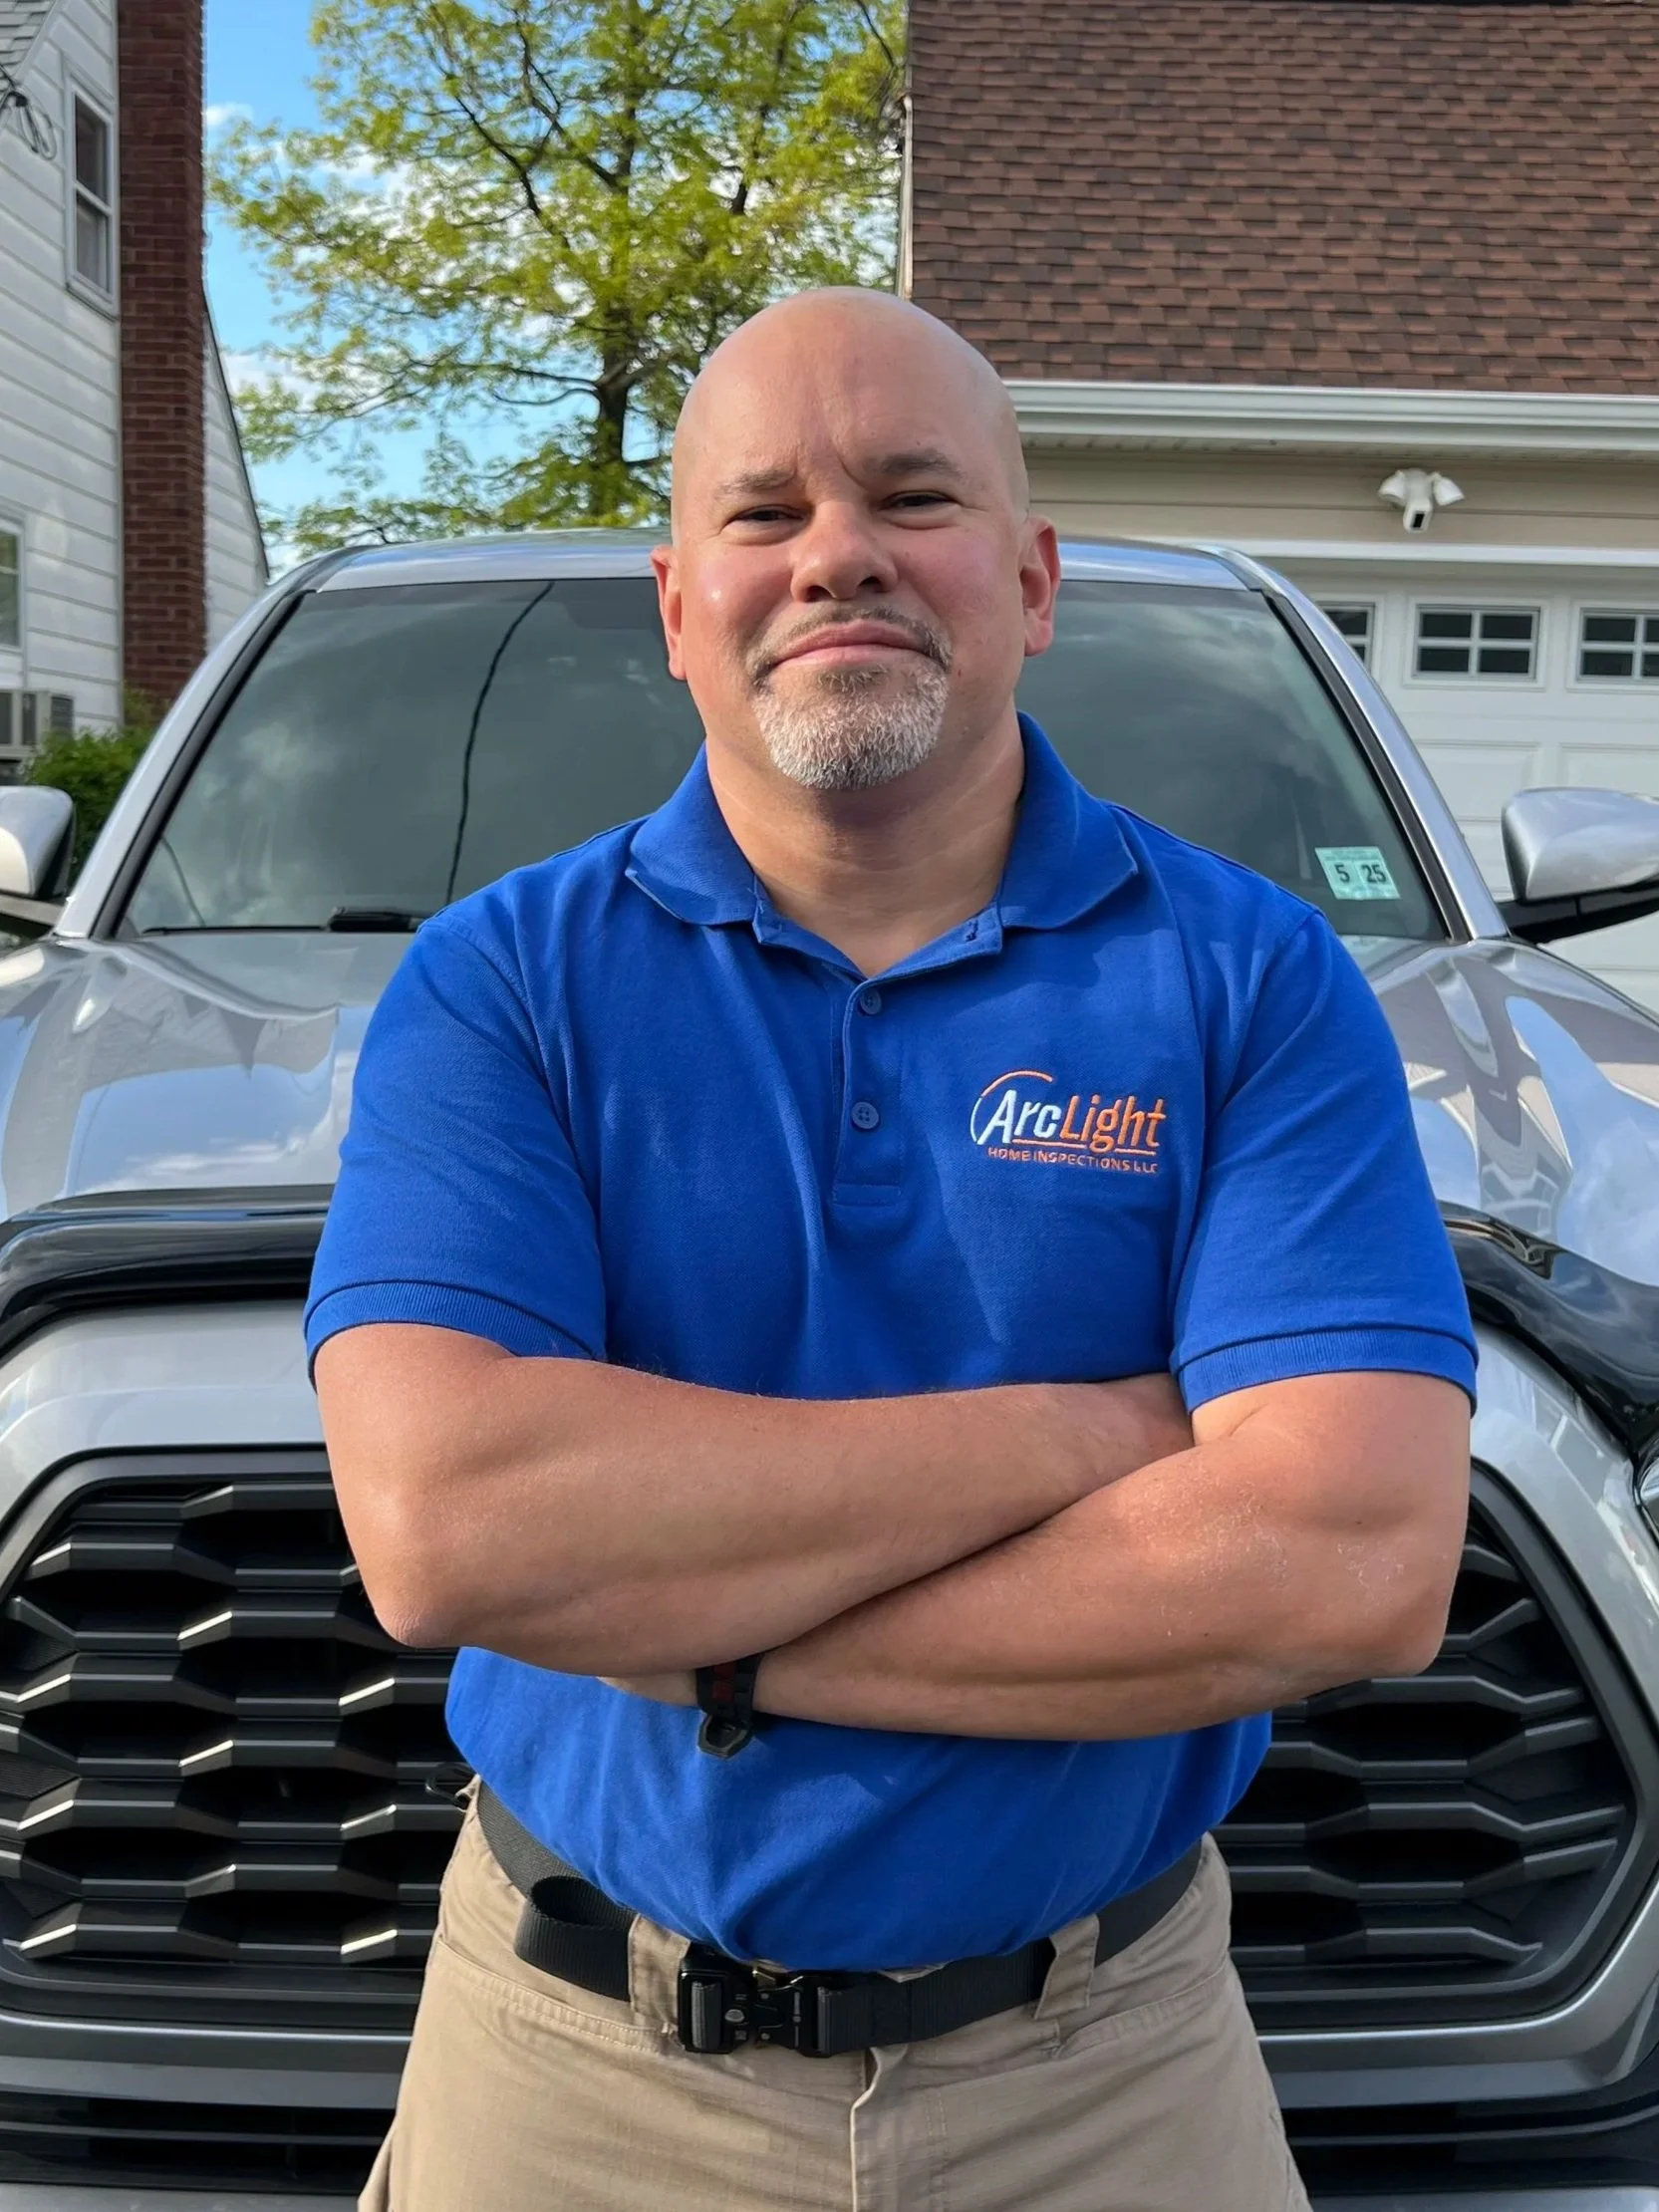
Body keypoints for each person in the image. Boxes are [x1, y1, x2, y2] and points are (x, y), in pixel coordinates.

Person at [309, 287, 1475, 2212]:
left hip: (1114, 2070)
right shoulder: (498, 986)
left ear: (1029, 581)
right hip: (572, 2068)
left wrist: (691, 1632)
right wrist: (1091, 1439)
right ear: (680, 609)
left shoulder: (1257, 982)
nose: (837, 551)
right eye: (763, 513)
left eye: (911, 493)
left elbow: (1350, 1560)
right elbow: (452, 1528)